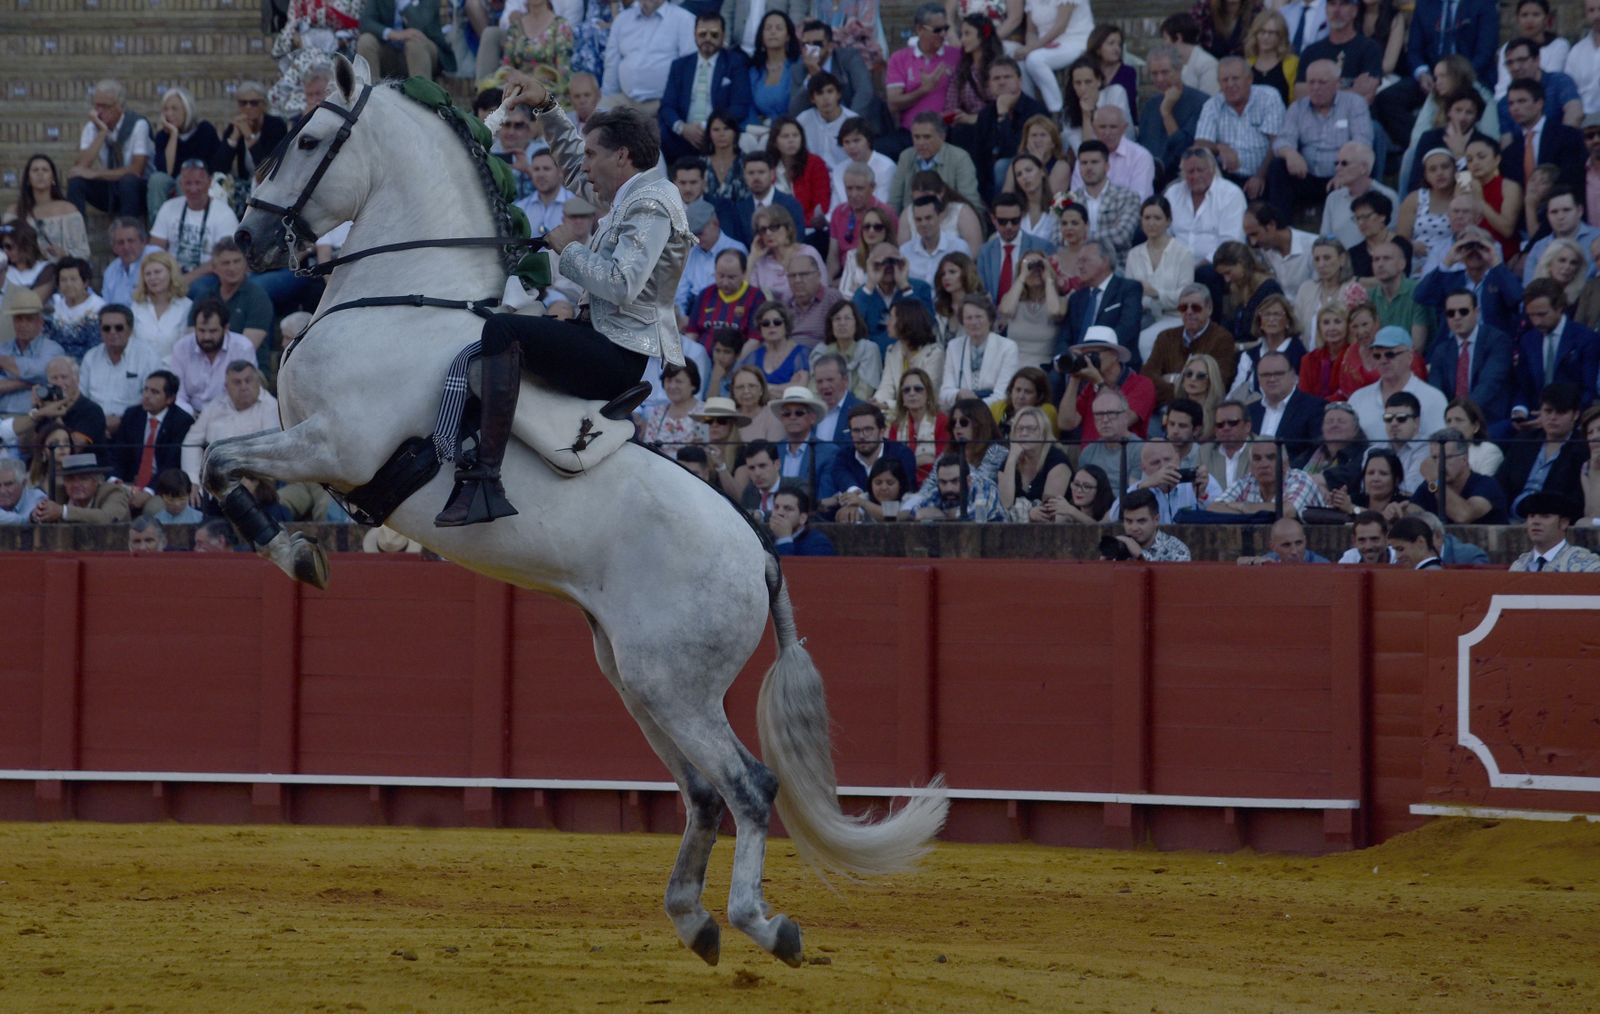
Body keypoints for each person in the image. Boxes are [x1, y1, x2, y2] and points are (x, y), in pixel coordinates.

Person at [1511, 279, 1600, 424]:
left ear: (1559, 307)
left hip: (1571, 419)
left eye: (1542, 314)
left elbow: (1588, 391)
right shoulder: (1528, 340)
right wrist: (1520, 411)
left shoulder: (1586, 338)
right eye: (1531, 315)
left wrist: (1554, 416)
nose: (1536, 322)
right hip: (1534, 416)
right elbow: (1523, 386)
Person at [1194, 57, 1285, 198]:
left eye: (1235, 78)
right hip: (1226, 176)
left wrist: (1260, 176)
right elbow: (1200, 144)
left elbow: (1277, 142)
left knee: (1279, 167)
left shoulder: (1268, 97)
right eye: (1225, 80)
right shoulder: (1212, 105)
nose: (1230, 84)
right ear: (1219, 83)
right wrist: (1219, 148)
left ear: (1249, 79)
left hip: (1264, 174)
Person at [1498, 382, 1588, 519]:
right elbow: (1501, 483)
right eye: (1548, 411)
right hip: (1510, 518)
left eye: (1561, 412)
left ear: (1575, 415)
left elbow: (1575, 499)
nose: (1553, 417)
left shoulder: (1582, 449)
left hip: (1554, 522)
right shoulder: (1523, 441)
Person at [66, 79, 151, 220]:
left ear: (119, 106)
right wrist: (102, 132)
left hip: (136, 190)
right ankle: (77, 235)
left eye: (104, 106)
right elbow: (80, 168)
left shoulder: (138, 125)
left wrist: (95, 174)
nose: (98, 111)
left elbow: (136, 170)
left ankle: (128, 233)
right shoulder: (92, 127)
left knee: (128, 181)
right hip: (110, 189)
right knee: (76, 182)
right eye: (96, 105)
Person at [1426, 290, 1512, 427]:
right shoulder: (1441, 350)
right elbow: (1436, 392)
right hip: (1451, 422)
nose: (1457, 317)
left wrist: (1461, 414)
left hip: (1489, 420)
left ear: (1476, 312)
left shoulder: (1497, 340)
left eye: (1463, 311)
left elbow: (1489, 384)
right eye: (1451, 313)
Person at [1127, 197, 1198, 362]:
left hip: (1174, 317)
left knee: (1144, 340)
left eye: (1157, 218)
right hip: (1143, 316)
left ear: (1168, 221)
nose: (1151, 223)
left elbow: (1186, 296)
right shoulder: (1134, 254)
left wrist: (1155, 293)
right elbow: (1130, 295)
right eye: (1147, 218)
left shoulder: (1183, 253)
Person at [817, 401, 919, 515]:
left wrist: (857, 501)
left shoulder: (902, 454)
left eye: (868, 429)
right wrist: (852, 498)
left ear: (881, 432)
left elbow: (907, 494)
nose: (862, 436)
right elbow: (846, 482)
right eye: (856, 430)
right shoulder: (843, 456)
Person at [1143, 283, 1237, 405]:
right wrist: (1190, 386)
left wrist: (1173, 379)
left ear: (1209, 309)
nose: (1189, 312)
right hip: (1165, 407)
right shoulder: (1165, 337)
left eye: (1196, 308)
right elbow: (1147, 376)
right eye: (1183, 308)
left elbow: (1216, 385)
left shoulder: (1223, 339)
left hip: (1201, 412)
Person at [1347, 327, 1446, 440]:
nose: (1383, 361)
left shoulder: (1433, 398)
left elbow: (1440, 447)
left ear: (1409, 356)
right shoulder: (1358, 398)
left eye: (1390, 354)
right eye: (1377, 356)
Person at [149, 161, 239, 286]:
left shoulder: (224, 214)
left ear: (209, 183)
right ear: (181, 185)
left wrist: (185, 279)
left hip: (207, 275)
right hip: (171, 273)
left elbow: (223, 258)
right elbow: (155, 249)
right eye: (188, 183)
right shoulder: (168, 207)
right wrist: (166, 274)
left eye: (198, 183)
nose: (193, 189)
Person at [78, 305, 159, 437]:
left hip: (134, 426)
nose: (112, 332)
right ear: (100, 331)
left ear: (130, 329)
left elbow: (152, 399)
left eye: (119, 327)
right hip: (94, 426)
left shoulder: (147, 357)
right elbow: (82, 396)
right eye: (106, 328)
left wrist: (122, 421)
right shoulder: (91, 357)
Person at [208, 81, 288, 211]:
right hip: (245, 185)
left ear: (263, 105)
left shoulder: (276, 126)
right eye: (243, 103)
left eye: (254, 103)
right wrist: (234, 137)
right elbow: (218, 168)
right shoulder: (235, 127)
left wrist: (250, 137)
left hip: (270, 185)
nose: (248, 107)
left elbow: (269, 169)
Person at [1065, 236, 1144, 366]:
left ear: (1105, 261)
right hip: (1076, 364)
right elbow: (1065, 336)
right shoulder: (1076, 298)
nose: (1079, 266)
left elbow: (1127, 328)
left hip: (1114, 362)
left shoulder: (1128, 289)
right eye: (1078, 261)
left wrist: (1095, 353)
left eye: (1085, 261)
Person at [1500, 78, 1587, 196]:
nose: (1515, 108)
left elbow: (1574, 178)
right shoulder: (1510, 152)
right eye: (1511, 103)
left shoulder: (1567, 136)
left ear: (1539, 103)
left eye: (1522, 101)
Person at [1139, 45, 1211, 186]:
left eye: (1165, 72)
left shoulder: (1201, 103)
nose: (1159, 79)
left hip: (1186, 179)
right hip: (1151, 180)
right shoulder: (1149, 106)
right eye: (1154, 73)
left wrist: (1166, 112)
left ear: (1179, 70)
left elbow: (1184, 149)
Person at [886, 4, 963, 134]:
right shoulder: (899, 58)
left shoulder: (957, 55)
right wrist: (924, 90)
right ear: (920, 29)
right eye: (937, 30)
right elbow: (893, 104)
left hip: (949, 131)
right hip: (911, 133)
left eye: (946, 28)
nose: (943, 34)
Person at [1164, 147, 1247, 265]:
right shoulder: (1173, 193)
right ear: (1183, 173)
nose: (1195, 176)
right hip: (1175, 264)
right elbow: (1163, 233)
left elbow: (1231, 243)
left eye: (1200, 170)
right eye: (1190, 171)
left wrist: (1197, 268)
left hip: (1216, 265)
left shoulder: (1231, 194)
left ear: (1212, 169)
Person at [1407, 426, 1508, 524]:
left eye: (1447, 457)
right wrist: (1398, 511)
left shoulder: (1487, 484)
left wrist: (1435, 479)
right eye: (1434, 457)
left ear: (1465, 458)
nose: (1439, 464)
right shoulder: (1431, 485)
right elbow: (1412, 516)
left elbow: (1463, 515)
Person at [890, 113, 983, 213]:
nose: (920, 143)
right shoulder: (906, 156)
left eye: (927, 137)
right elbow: (895, 200)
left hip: (950, 219)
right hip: (912, 219)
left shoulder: (960, 158)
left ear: (942, 136)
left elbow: (970, 202)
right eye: (916, 137)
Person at [4, 154, 89, 261]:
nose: (40, 173)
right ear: (28, 179)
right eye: (35, 170)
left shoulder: (68, 209)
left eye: (45, 170)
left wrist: (64, 254)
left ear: (53, 178)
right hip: (24, 272)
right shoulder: (14, 211)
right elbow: (5, 248)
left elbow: (83, 252)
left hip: (59, 272)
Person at [1209, 439, 1326, 517]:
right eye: (1257, 458)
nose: (1263, 464)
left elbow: (1286, 511)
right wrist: (1258, 512)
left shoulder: (1300, 479)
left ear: (1285, 464)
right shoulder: (1247, 481)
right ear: (1251, 467)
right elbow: (1214, 508)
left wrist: (1244, 507)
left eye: (1271, 457)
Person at [1066, 141, 1141, 261]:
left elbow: (1121, 236)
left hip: (1116, 266)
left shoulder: (1128, 196)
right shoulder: (1065, 200)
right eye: (1084, 163)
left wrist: (1075, 236)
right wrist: (1108, 232)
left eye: (1094, 162)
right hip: (1076, 266)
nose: (1089, 167)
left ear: (1107, 166)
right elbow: (1056, 238)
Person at [940, 295, 1017, 410]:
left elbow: (1002, 394)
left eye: (979, 317)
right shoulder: (953, 346)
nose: (974, 322)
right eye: (969, 318)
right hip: (961, 410)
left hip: (993, 411)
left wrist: (975, 407)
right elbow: (944, 392)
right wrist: (958, 394)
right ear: (962, 321)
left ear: (990, 319)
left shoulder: (1008, 347)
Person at [853, 243, 936, 349]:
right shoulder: (864, 293)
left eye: (893, 261)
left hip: (911, 353)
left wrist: (905, 287)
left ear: (902, 262)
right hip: (873, 357)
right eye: (881, 262)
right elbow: (853, 325)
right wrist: (870, 284)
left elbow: (927, 323)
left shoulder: (919, 288)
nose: (887, 267)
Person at [977, 192, 1057, 304]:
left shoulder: (1043, 247)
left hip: (1029, 314)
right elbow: (982, 291)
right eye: (1003, 221)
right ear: (993, 219)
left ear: (1022, 216)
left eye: (1015, 221)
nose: (1009, 226)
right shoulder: (985, 252)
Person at [790, 19, 875, 119]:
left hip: (854, 123)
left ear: (830, 47)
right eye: (806, 45)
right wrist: (811, 78)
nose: (811, 49)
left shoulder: (849, 57)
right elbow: (794, 111)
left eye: (817, 44)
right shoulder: (799, 68)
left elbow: (864, 92)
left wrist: (850, 124)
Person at [0, 288, 66, 416]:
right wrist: (29, 382)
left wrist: (2, 361)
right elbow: (38, 376)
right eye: (19, 319)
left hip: (36, 419)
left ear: (40, 322)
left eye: (29, 319)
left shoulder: (53, 349)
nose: (23, 325)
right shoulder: (3, 348)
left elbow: (41, 371)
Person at [1248, 352, 1323, 463]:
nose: (1272, 379)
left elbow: (1316, 452)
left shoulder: (1315, 408)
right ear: (1258, 378)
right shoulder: (1249, 411)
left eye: (1278, 374)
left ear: (1293, 375)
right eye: (1265, 375)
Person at [997, 406, 1069, 519]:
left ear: (1043, 433)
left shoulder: (1057, 460)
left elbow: (1049, 512)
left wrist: (1022, 514)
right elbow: (1005, 504)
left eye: (1031, 429)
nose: (1024, 433)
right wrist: (1012, 459)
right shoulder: (1009, 460)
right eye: (1019, 429)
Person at [1522, 189, 1599, 286]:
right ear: (1547, 216)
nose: (1560, 216)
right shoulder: (1539, 248)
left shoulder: (1597, 238)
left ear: (1580, 211)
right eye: (1554, 212)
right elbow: (1528, 290)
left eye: (1566, 210)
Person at [28, 452, 130, 525]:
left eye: (83, 479)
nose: (76, 484)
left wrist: (63, 511)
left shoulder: (114, 492)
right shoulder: (59, 493)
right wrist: (37, 515)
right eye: (70, 479)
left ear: (97, 480)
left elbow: (107, 518)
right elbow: (36, 519)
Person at [1507, 491, 1600, 571]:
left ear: (1564, 523)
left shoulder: (1586, 565)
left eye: (1545, 516)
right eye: (1531, 516)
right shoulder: (1519, 566)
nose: (1535, 522)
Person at [813, 299, 882, 400]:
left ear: (856, 323)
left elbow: (864, 391)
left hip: (857, 409)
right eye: (837, 319)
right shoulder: (821, 351)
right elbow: (814, 390)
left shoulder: (868, 349)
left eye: (847, 318)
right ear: (831, 325)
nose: (842, 323)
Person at [1241, 202, 1314, 295]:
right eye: (1249, 237)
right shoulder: (1261, 252)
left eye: (1255, 234)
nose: (1253, 242)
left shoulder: (1312, 247)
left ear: (1271, 225)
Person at [911, 451, 1005, 522]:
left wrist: (943, 515)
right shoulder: (938, 490)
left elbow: (977, 516)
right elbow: (915, 512)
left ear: (968, 480)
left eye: (955, 481)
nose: (949, 488)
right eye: (943, 482)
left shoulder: (984, 486)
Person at [899, 196, 967, 291]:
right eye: (918, 219)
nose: (923, 224)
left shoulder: (958, 247)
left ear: (939, 217)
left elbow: (967, 284)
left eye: (928, 218)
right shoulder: (905, 251)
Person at [46, 258, 104, 361]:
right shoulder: (56, 308)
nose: (68, 284)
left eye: (73, 279)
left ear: (85, 282)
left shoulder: (98, 308)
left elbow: (95, 347)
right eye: (63, 280)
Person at [1114, 487, 1191, 560]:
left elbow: (1172, 574)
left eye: (1141, 521)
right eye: (1129, 521)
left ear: (1156, 520)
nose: (1134, 528)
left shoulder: (1176, 549)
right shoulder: (1119, 547)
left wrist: (1141, 555)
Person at [1245, 8, 1298, 107]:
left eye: (1271, 33)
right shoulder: (1247, 64)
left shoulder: (1292, 64)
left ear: (1281, 36)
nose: (1266, 37)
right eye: (1262, 32)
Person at [1161, 13, 1221, 95]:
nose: (1164, 44)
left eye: (1165, 39)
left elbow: (1209, 101)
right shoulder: (1176, 63)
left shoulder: (1208, 64)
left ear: (1178, 38)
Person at [767, 487, 837, 555]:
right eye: (776, 507)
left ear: (802, 518)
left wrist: (784, 539)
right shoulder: (766, 539)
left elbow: (785, 566)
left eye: (788, 509)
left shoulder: (819, 544)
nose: (779, 513)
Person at [0, 223, 57, 304]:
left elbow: (34, 302)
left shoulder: (46, 269)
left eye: (9, 246)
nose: (5, 251)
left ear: (25, 245)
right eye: (2, 247)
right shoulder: (3, 270)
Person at [0, 457, 47, 526]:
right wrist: (28, 519)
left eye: (8, 484)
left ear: (23, 483)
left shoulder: (37, 499)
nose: (2, 491)